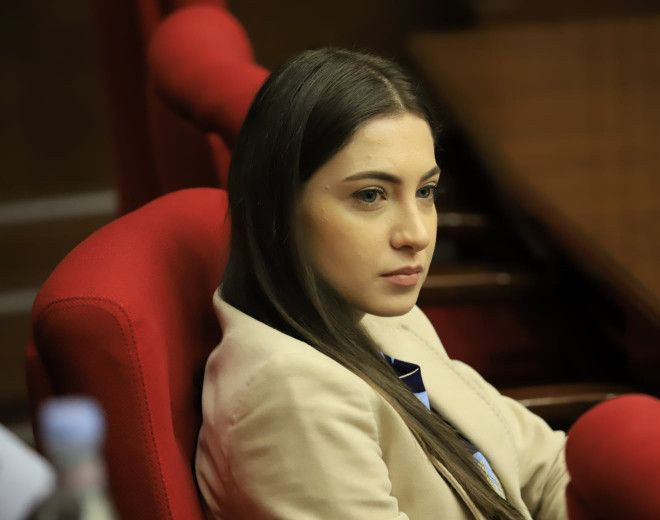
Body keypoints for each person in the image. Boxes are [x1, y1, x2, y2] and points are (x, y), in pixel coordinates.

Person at [195, 47, 569, 520]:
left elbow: (545, 468)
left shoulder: (376, 313)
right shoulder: (292, 396)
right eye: (371, 195)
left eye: (425, 191)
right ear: (277, 207)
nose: (416, 235)